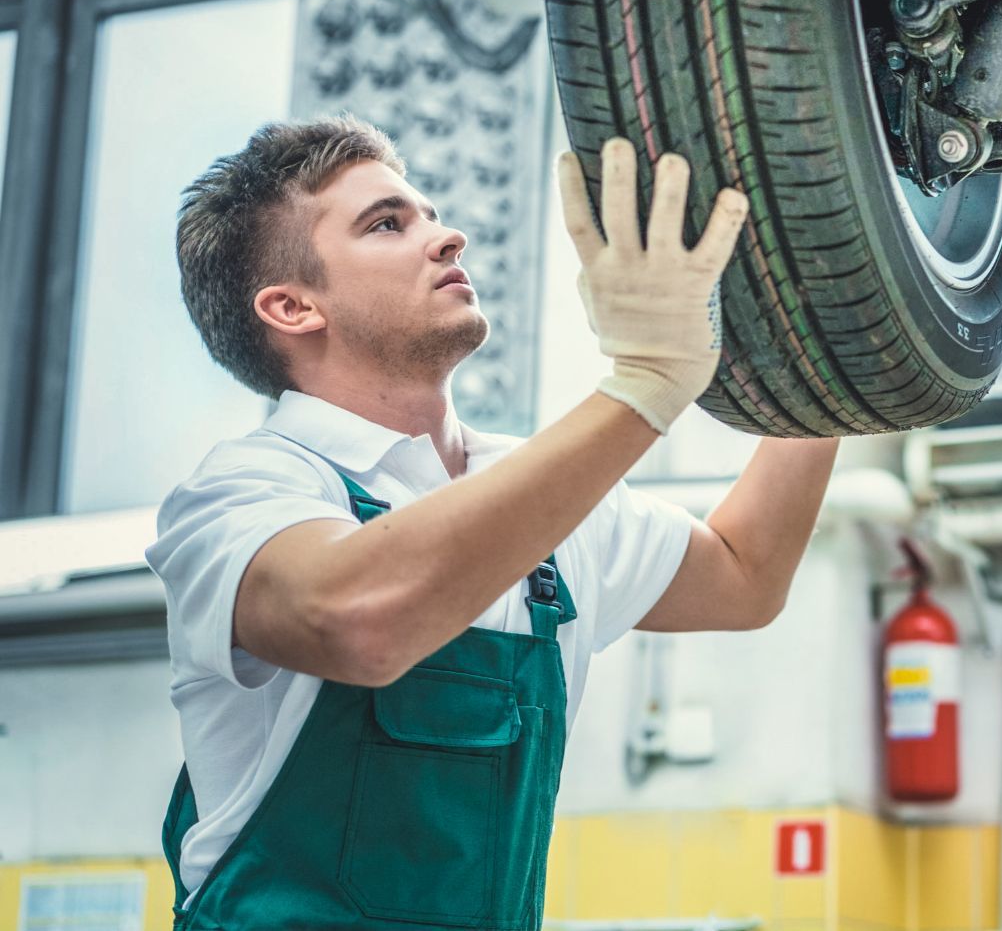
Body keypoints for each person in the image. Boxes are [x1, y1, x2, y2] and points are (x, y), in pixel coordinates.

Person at [145, 116, 839, 930]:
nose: (448, 237)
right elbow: (355, 617)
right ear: (293, 306)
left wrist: (830, 349)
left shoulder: (532, 490)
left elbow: (744, 573)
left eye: (430, 214)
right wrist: (646, 384)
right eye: (387, 224)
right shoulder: (245, 492)